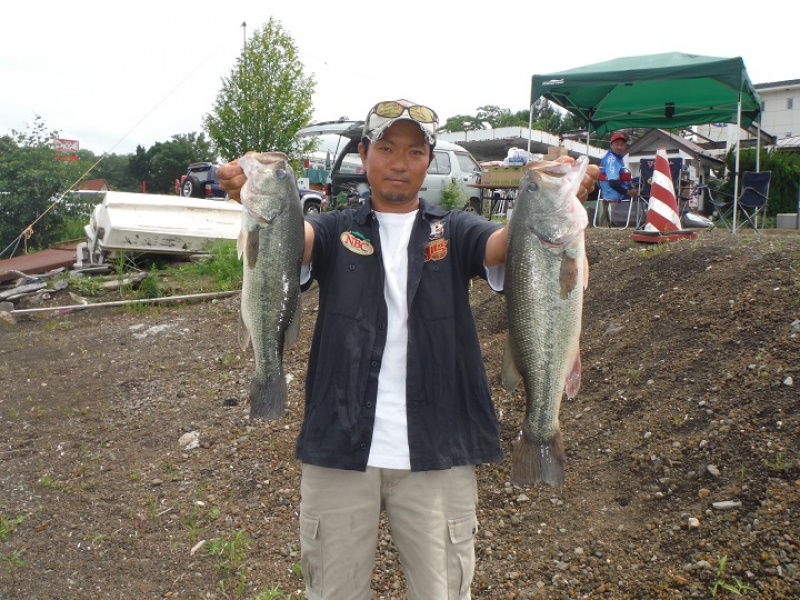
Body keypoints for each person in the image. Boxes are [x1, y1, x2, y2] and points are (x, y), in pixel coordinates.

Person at [218, 99, 598, 600]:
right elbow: (293, 240)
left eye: (415, 151)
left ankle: (541, 431)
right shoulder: (335, 229)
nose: (400, 162)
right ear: (364, 154)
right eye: (387, 148)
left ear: (429, 160)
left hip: (437, 451)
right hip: (338, 447)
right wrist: (252, 193)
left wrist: (550, 193)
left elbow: (511, 244)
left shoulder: (457, 229)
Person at [597, 132, 639, 227]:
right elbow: (613, 183)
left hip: (609, 190)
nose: (619, 147)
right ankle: (641, 222)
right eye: (617, 144)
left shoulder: (615, 157)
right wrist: (628, 192)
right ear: (611, 145)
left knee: (639, 181)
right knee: (644, 192)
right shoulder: (612, 160)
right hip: (614, 193)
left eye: (622, 144)